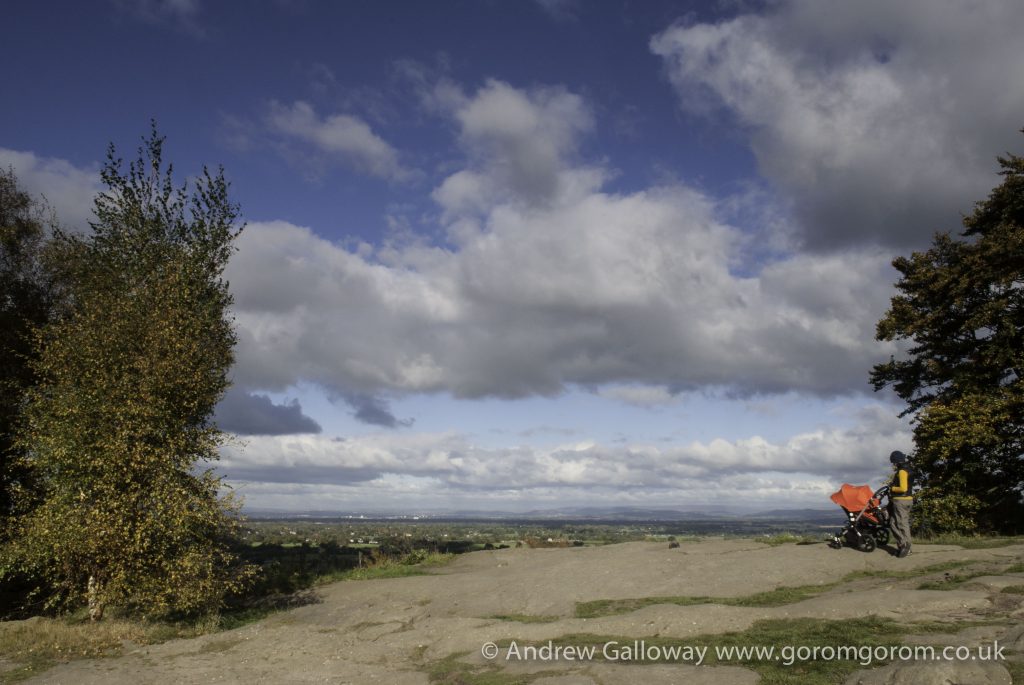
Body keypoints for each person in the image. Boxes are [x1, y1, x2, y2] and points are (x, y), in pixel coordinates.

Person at [887, 450, 914, 558]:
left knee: (901, 524)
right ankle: (903, 545)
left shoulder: (902, 471)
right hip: (907, 500)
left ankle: (906, 547)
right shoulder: (909, 469)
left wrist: (892, 488)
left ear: (896, 461)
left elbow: (903, 488)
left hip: (901, 501)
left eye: (893, 462)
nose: (893, 465)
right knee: (893, 523)